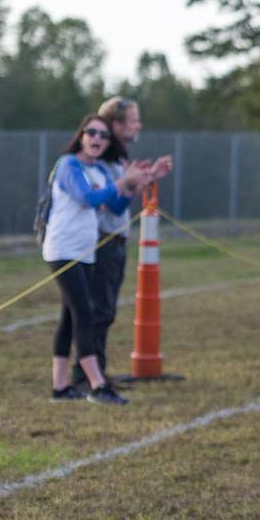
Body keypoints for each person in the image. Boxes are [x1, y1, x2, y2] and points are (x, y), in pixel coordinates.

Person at [43, 115, 150, 405]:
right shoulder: (69, 165)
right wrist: (121, 182)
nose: (97, 139)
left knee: (69, 318)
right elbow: (87, 198)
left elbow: (114, 206)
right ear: (81, 136)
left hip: (85, 251)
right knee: (84, 313)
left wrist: (133, 185)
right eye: (91, 132)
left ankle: (61, 387)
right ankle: (97, 385)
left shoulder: (100, 169)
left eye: (103, 135)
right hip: (63, 250)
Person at [80, 96, 171, 387]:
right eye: (133, 120)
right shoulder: (103, 159)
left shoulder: (118, 157)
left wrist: (144, 179)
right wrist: (130, 184)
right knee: (98, 310)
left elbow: (120, 200)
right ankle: (87, 376)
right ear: (116, 124)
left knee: (105, 310)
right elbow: (111, 205)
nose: (138, 125)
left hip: (114, 239)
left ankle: (98, 372)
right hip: (101, 241)